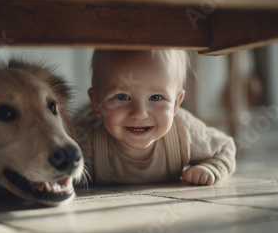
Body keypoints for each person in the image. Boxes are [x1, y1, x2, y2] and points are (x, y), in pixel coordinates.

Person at [74, 49, 236, 185]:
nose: (140, 113)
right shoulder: (85, 137)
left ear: (176, 104)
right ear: (96, 103)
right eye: (122, 97)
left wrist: (211, 168)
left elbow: (224, 147)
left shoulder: (183, 131)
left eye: (156, 98)